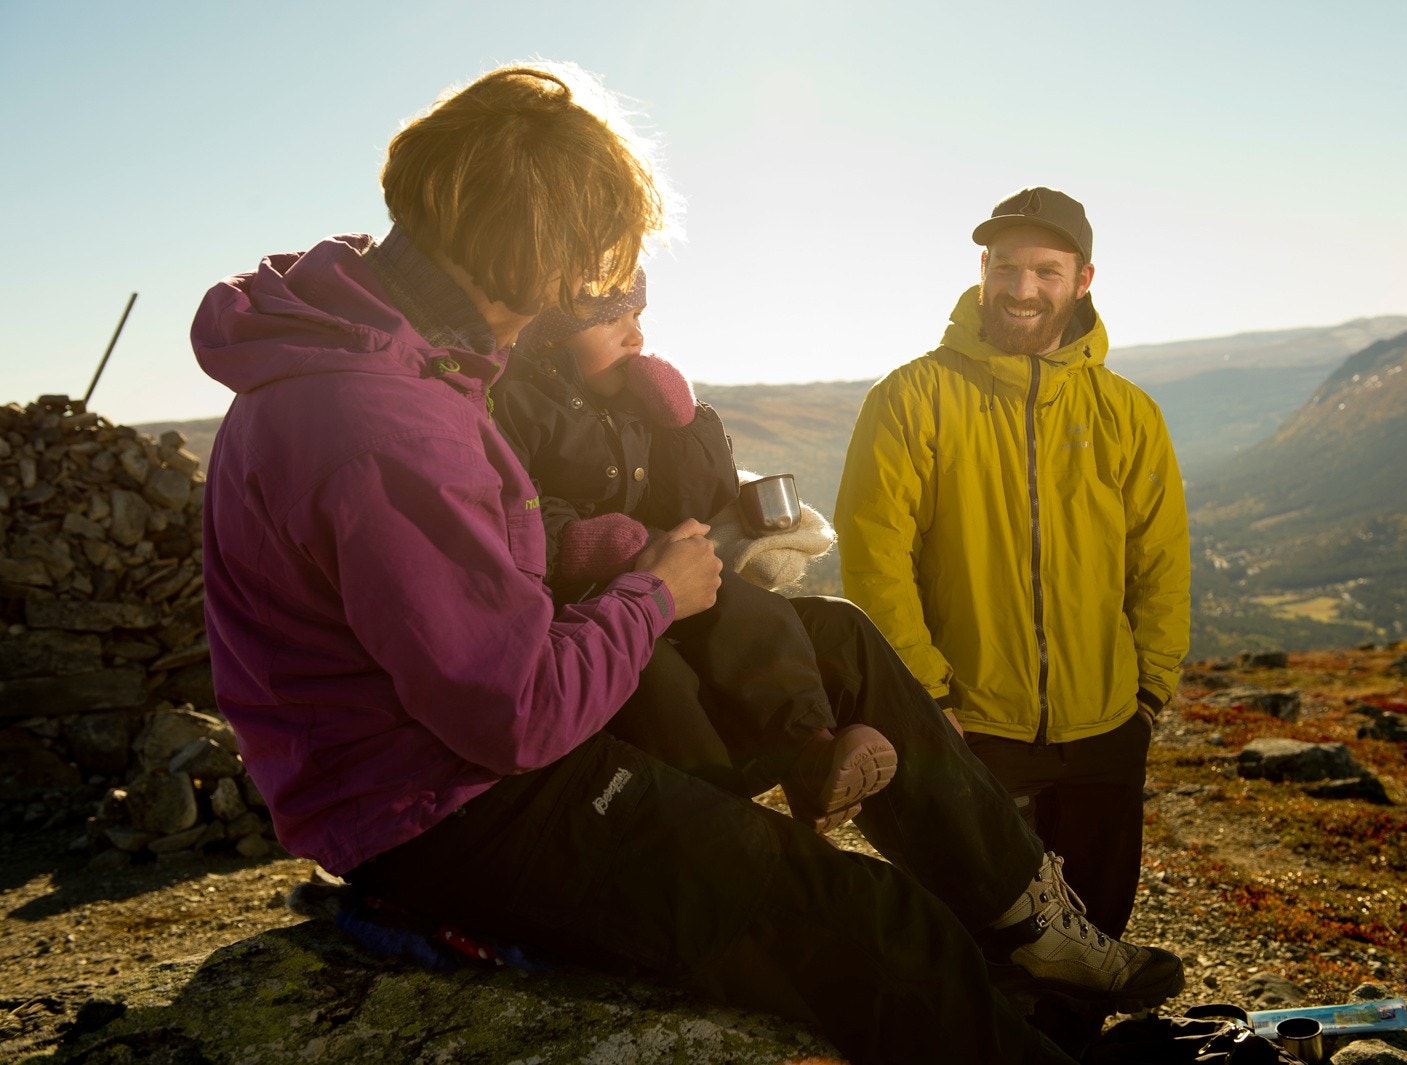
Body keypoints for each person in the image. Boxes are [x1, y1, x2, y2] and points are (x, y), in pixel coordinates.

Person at [195, 67, 1183, 1065]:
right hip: (444, 810)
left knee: (834, 636)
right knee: (872, 924)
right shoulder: (383, 422)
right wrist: (654, 592)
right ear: (530, 245)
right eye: (591, 261)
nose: (589, 292)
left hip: (453, 754)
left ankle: (1027, 919)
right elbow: (515, 713)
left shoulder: (395, 358)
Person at [835, 186, 1191, 1047]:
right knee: (981, 949)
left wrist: (1149, 694)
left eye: (1046, 271)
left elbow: (1160, 564)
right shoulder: (912, 396)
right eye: (1007, 267)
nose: (1022, 288)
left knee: (1093, 947)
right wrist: (926, 695)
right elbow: (875, 556)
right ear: (983, 269)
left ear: (1083, 279)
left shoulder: (1129, 413)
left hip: (1106, 728)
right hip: (972, 727)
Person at [492, 269, 898, 829]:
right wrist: (593, 545)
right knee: (660, 681)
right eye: (611, 321)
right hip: (578, 599)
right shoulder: (515, 402)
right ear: (552, 333)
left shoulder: (629, 403)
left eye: (637, 316)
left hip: (653, 572)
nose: (635, 336)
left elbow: (700, 501)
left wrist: (682, 423)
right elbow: (513, 509)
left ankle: (808, 746)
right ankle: (721, 821)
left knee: (742, 607)